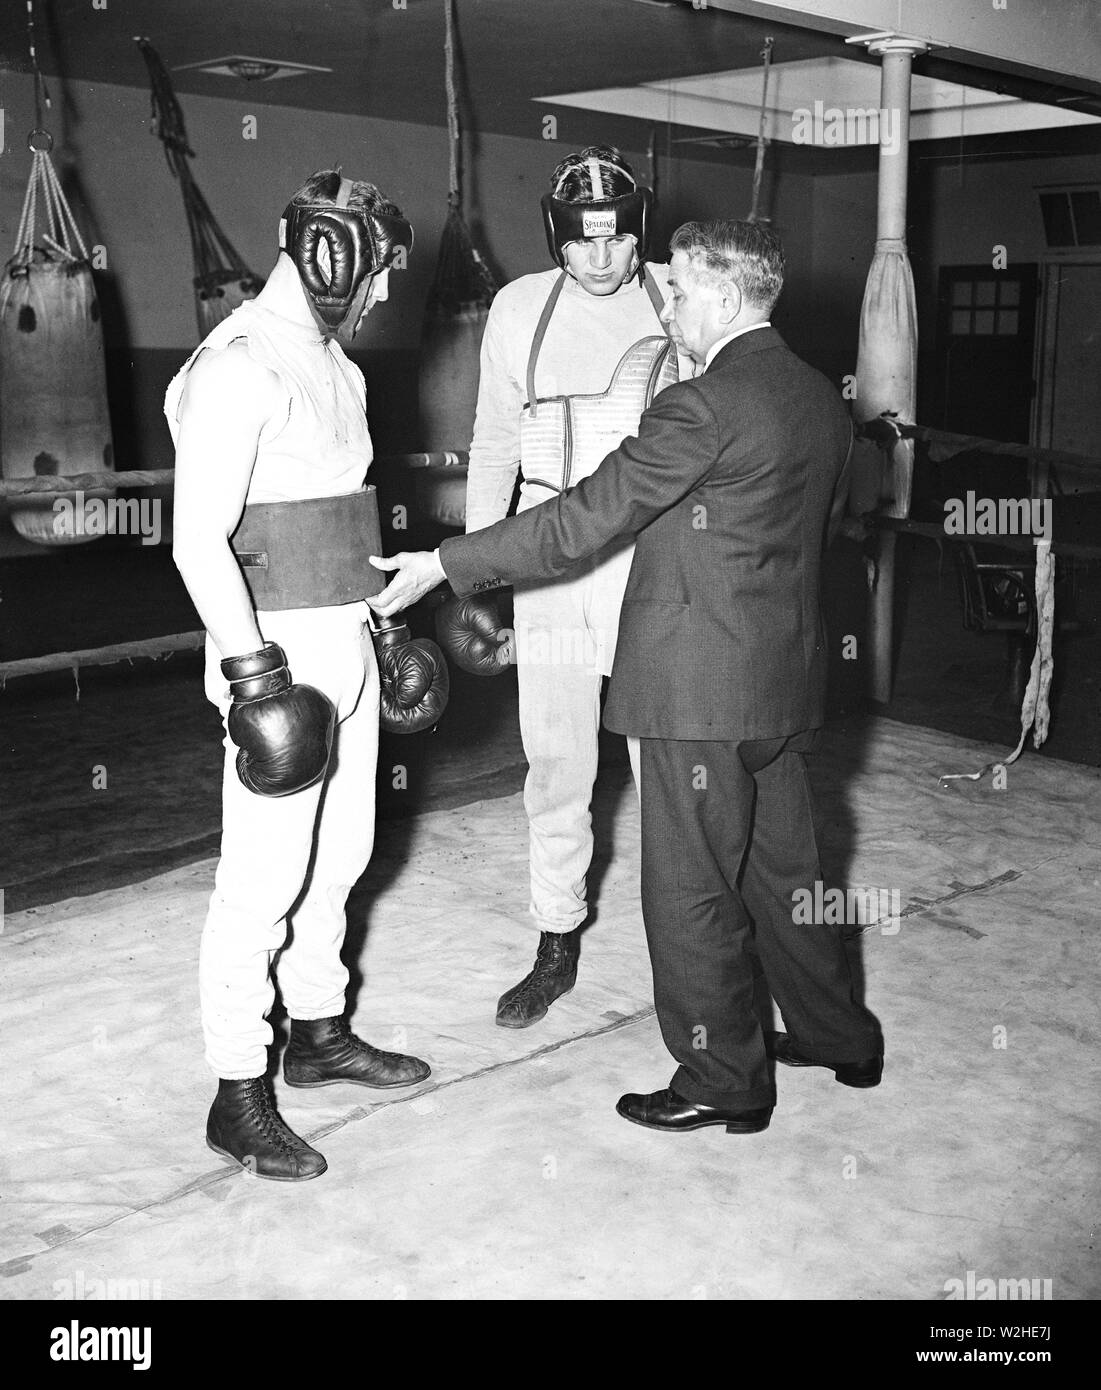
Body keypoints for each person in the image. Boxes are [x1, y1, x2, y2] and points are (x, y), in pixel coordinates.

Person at [370, 219, 882, 1135]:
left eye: (680, 291)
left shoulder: (705, 405)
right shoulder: (815, 396)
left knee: (689, 890)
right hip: (782, 681)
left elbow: (580, 522)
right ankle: (838, 1035)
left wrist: (447, 562)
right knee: (787, 870)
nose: (668, 303)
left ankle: (722, 1079)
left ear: (721, 299)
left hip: (697, 689)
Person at [167, 169, 446, 1181]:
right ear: (335, 256)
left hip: (345, 634)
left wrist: (382, 632)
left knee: (342, 854)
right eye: (375, 277)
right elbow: (196, 540)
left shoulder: (338, 364)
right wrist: (255, 682)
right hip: (273, 645)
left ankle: (318, 1031)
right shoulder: (236, 365)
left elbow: (341, 513)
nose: (378, 299)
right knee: (262, 878)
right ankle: (238, 1089)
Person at [436, 145, 682, 1028]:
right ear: (554, 236)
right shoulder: (516, 306)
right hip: (547, 558)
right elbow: (494, 441)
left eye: (615, 241)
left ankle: (685, 946)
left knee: (666, 754)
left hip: (651, 556)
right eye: (581, 244)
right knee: (556, 758)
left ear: (637, 231)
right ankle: (555, 934)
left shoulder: (678, 292)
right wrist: (476, 568)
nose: (601, 260)